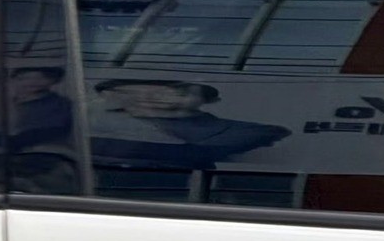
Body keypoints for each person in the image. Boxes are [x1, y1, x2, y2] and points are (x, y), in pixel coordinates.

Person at [90, 76, 289, 194]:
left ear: (205, 99)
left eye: (173, 92)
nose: (150, 98)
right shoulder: (91, 128)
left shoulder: (246, 132)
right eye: (130, 93)